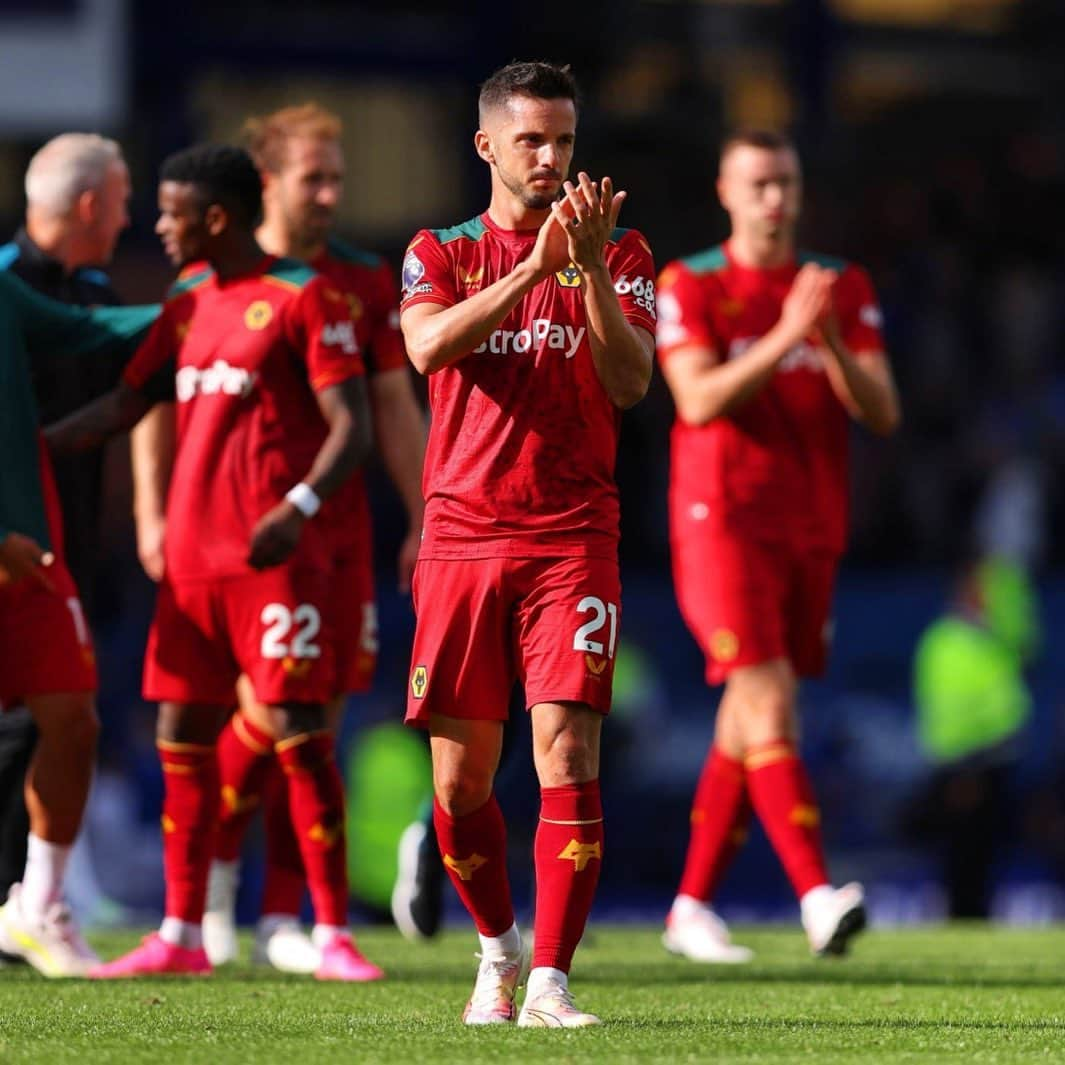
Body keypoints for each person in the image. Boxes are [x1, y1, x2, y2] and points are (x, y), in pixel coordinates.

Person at [46, 144, 381, 981]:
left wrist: (296, 509)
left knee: (301, 736)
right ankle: (181, 933)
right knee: (181, 735)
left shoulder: (307, 298)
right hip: (190, 568)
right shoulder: (188, 299)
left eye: (172, 212)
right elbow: (132, 399)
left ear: (216, 217)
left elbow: (354, 428)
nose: (159, 226)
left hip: (271, 560)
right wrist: (35, 448)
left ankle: (332, 931)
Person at [400, 61, 655, 1027]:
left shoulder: (621, 251)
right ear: (487, 147)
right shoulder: (439, 249)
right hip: (462, 536)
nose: (551, 160)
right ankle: (496, 954)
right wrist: (530, 269)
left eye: (564, 142)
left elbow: (629, 384)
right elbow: (427, 349)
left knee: (568, 751)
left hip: (571, 537)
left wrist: (582, 267)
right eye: (531, 142)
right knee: (461, 782)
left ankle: (549, 977)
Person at [146, 103, 425, 971]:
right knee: (268, 717)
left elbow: (389, 408)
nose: (333, 195)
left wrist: (423, 516)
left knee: (307, 725)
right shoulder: (202, 281)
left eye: (339, 178)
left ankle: (273, 915)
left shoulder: (361, 280)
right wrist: (150, 516)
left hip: (326, 539)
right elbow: (156, 403)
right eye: (317, 178)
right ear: (263, 184)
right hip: (223, 543)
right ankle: (224, 889)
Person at [655, 129, 901, 963]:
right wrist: (784, 331)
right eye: (758, 184)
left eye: (786, 183)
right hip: (721, 520)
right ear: (725, 190)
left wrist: (824, 334)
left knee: (743, 718)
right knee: (769, 699)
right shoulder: (690, 283)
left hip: (809, 525)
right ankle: (815, 895)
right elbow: (694, 399)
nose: (774, 200)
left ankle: (688, 906)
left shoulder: (839, 286)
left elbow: (882, 412)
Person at [0, 269, 156, 975]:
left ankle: (39, 903)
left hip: (32, 553)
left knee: (73, 718)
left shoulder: (2, 287)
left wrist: (194, 305)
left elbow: (84, 330)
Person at [0, 133, 130, 925]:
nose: (129, 218)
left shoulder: (88, 292)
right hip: (16, 540)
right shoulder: (10, 280)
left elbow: (114, 371)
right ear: (89, 204)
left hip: (58, 544)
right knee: (32, 725)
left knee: (62, 718)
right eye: (121, 202)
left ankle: (29, 901)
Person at [908, 556, 1036, 918]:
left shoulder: (988, 640)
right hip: (966, 764)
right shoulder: (949, 641)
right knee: (963, 853)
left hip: (996, 759)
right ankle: (959, 914)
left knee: (985, 852)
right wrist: (962, 766)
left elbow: (1024, 645)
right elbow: (948, 709)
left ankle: (974, 913)